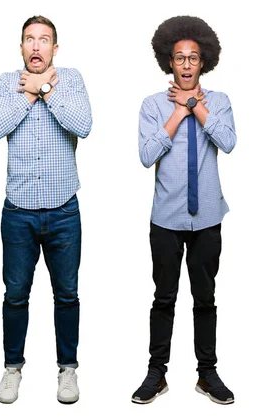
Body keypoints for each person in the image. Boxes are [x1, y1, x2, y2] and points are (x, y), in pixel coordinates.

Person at [0, 15, 92, 405]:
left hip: (64, 212)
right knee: (15, 295)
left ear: (54, 49)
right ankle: (12, 368)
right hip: (19, 214)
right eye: (29, 39)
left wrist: (45, 88)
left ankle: (68, 370)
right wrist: (28, 94)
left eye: (44, 40)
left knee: (67, 295)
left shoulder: (72, 79)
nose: (36, 46)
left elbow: (83, 124)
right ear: (21, 47)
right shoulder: (5, 83)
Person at [132, 15, 236, 405]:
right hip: (167, 220)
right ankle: (156, 373)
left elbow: (227, 142)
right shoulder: (153, 105)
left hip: (208, 217)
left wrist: (196, 106)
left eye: (194, 57)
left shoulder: (220, 102)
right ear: (169, 62)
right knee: (164, 298)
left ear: (204, 61)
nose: (187, 64)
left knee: (205, 297)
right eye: (180, 58)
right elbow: (146, 156)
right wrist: (178, 112)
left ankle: (207, 374)